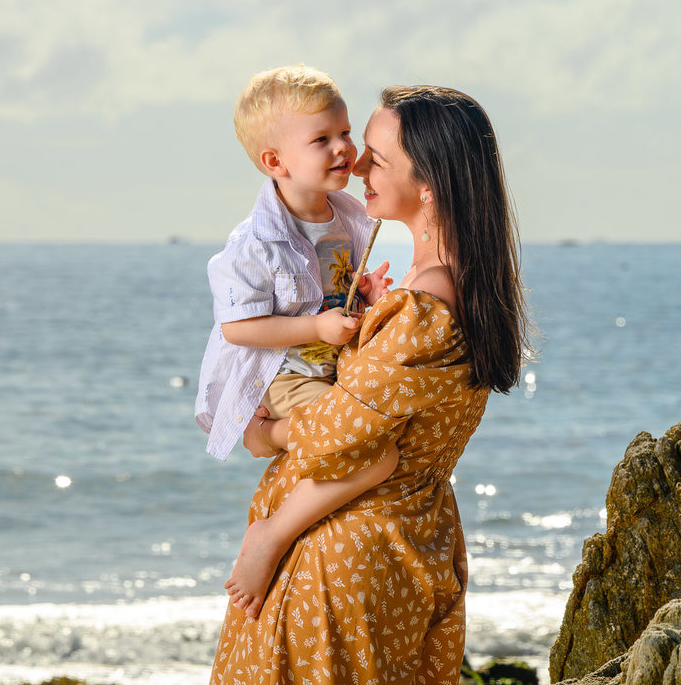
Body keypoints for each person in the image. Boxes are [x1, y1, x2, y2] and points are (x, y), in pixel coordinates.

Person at [211, 85, 529, 684]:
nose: (355, 164)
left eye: (376, 158)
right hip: (409, 543)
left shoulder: (426, 306)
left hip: (346, 558)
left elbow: (342, 435)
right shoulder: (445, 288)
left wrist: (269, 438)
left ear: (429, 184)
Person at [194, 65, 397, 614]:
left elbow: (340, 292)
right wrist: (315, 328)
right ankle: (272, 518)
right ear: (275, 163)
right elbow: (238, 328)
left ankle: (270, 437)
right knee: (375, 457)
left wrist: (366, 294)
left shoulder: (349, 216)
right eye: (321, 140)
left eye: (346, 133)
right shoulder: (255, 242)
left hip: (328, 367)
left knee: (381, 428)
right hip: (284, 373)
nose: (343, 150)